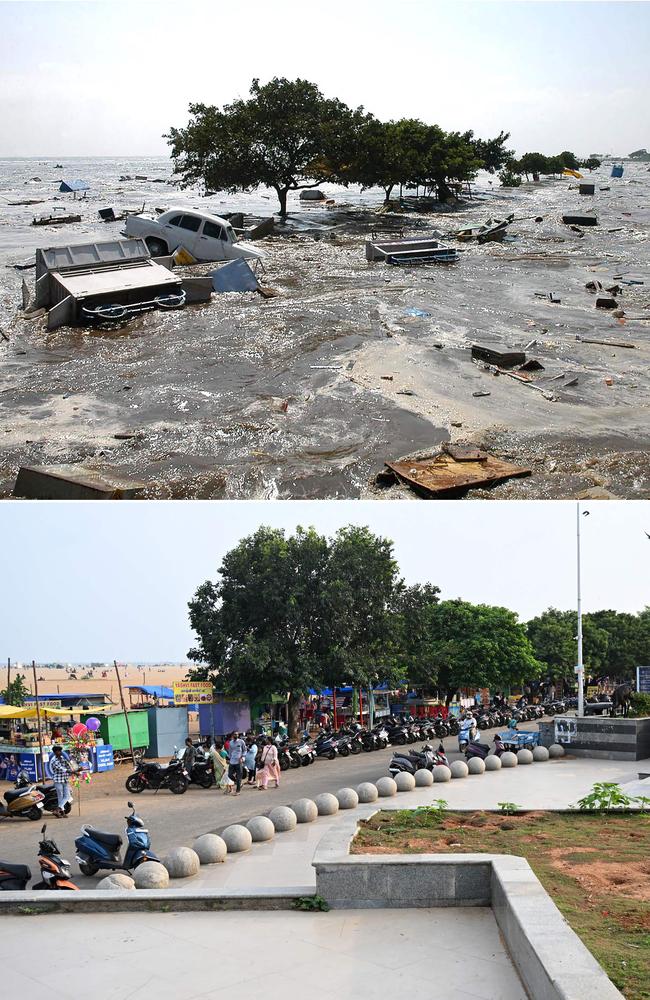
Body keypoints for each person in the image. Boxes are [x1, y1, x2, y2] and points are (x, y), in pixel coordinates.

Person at [49, 745, 73, 818]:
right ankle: (61, 812)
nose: (60, 752)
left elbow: (68, 766)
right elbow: (62, 769)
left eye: (60, 751)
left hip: (65, 779)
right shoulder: (53, 761)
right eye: (58, 751)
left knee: (67, 796)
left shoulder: (62, 758)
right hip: (58, 780)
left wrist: (75, 768)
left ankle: (58, 809)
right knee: (60, 796)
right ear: (55, 752)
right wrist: (73, 772)